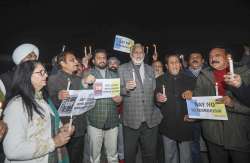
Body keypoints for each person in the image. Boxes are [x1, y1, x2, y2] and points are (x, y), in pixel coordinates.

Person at [3, 61, 74, 163]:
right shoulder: (16, 105)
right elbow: (12, 150)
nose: (46, 75)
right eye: (40, 72)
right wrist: (53, 142)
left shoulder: (42, 99)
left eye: (45, 72)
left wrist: (62, 129)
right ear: (26, 76)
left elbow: (47, 127)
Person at [192, 47, 250, 163]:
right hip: (213, 136)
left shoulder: (244, 74)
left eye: (217, 55)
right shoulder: (203, 77)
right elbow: (198, 104)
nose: (213, 58)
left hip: (238, 135)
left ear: (227, 57)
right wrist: (193, 107)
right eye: (210, 57)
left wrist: (232, 104)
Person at [118, 43, 162, 163]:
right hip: (131, 120)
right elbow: (117, 91)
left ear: (144, 54)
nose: (138, 54)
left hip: (150, 120)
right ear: (131, 54)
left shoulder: (150, 69)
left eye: (141, 52)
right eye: (136, 52)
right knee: (130, 154)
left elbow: (154, 90)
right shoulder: (122, 69)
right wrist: (125, 88)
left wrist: (158, 96)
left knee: (150, 154)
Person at [47, 51, 87, 163]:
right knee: (64, 158)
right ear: (62, 63)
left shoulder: (79, 80)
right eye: (72, 60)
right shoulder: (53, 79)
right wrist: (57, 97)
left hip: (79, 127)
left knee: (77, 158)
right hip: (62, 128)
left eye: (76, 60)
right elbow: (47, 105)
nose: (76, 62)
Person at [155, 54, 195, 163]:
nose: (175, 65)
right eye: (171, 63)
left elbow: (198, 100)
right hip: (168, 123)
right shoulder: (159, 80)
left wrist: (193, 94)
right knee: (169, 155)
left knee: (186, 156)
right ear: (167, 66)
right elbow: (156, 101)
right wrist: (158, 99)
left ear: (180, 64)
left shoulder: (191, 80)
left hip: (186, 122)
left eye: (177, 62)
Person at [84, 50, 122, 163]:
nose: (102, 59)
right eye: (99, 57)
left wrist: (119, 100)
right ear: (94, 61)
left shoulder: (115, 75)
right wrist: (85, 82)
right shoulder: (88, 73)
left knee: (113, 156)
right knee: (94, 157)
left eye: (104, 57)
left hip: (112, 121)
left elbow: (120, 98)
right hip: (94, 122)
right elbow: (81, 87)